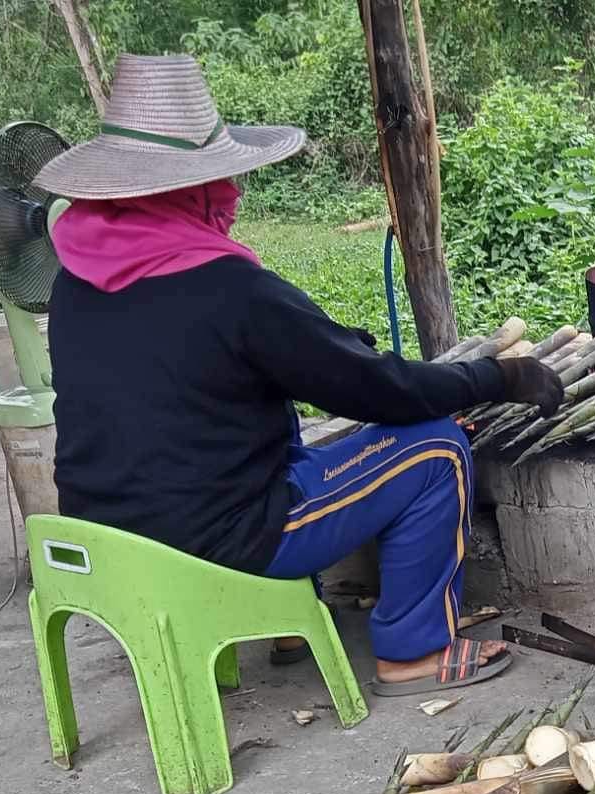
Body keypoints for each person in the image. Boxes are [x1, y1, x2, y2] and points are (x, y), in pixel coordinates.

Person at [37, 53, 562, 694]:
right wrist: (499, 379)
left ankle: (286, 624)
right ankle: (412, 651)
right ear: (196, 189)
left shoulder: (76, 280)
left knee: (254, 430)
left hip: (104, 537)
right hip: (216, 540)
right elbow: (379, 392)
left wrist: (331, 347)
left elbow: (197, 373)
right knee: (436, 449)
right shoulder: (229, 289)